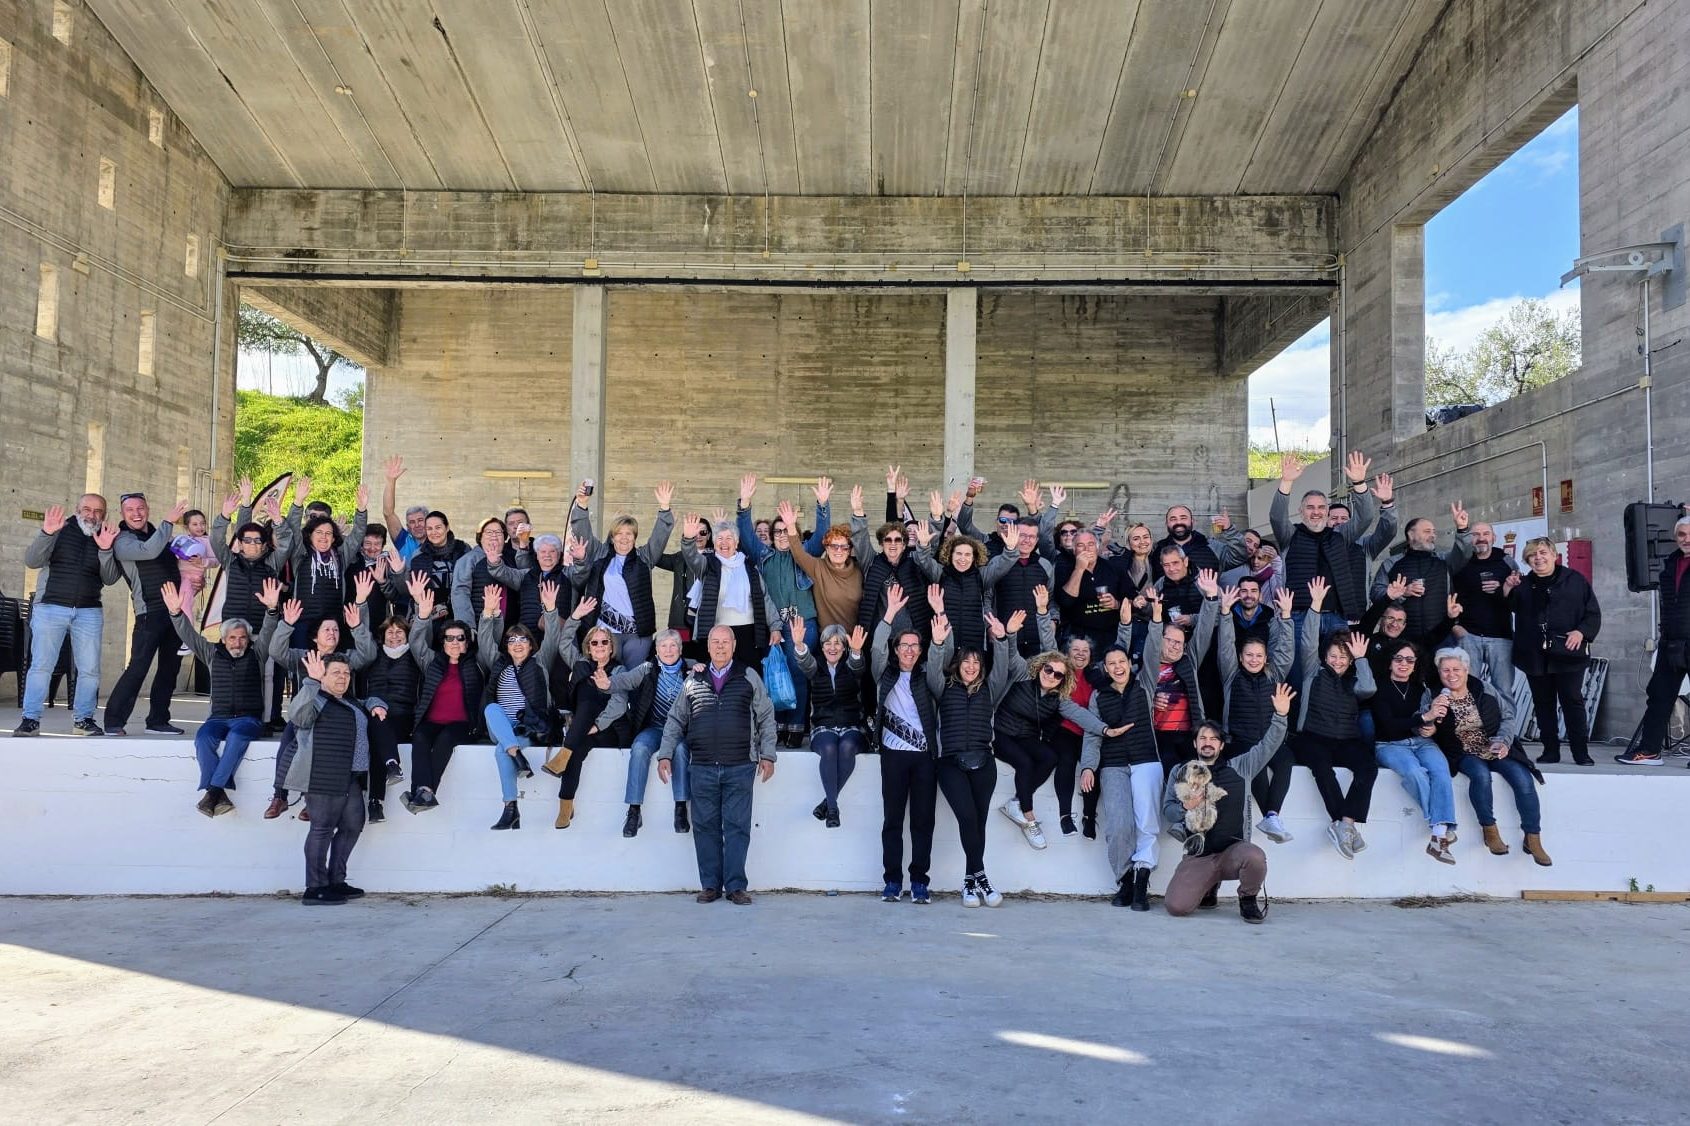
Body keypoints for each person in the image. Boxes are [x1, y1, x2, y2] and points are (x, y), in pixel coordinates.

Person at [657, 625, 778, 905]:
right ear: (708, 646)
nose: (720, 646)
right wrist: (665, 754)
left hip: (740, 765)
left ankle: (736, 887)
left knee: (737, 827)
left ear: (734, 645)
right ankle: (710, 885)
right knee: (704, 827)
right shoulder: (693, 679)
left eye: (725, 642)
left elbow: (766, 716)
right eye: (715, 642)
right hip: (702, 766)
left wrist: (768, 755)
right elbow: (675, 719)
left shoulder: (749, 675)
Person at [1160, 683, 1295, 922]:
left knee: (1255, 857)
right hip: (1199, 855)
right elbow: (1168, 810)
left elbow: (1268, 745)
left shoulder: (1241, 767)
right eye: (1202, 738)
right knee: (1176, 907)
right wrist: (1185, 807)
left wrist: (1281, 715)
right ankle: (1208, 887)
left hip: (1234, 851)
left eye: (1214, 738)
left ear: (1221, 745)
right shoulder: (1180, 771)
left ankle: (1248, 899)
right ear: (1195, 743)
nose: (1208, 742)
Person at [262, 575, 378, 819]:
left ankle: (311, 799)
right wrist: (287, 624)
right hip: (306, 713)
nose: (332, 633)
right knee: (289, 738)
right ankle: (279, 796)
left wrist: (357, 627)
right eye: (327, 629)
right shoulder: (302, 657)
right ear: (315, 636)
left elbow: (368, 654)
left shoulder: (345, 658)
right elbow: (276, 651)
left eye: (335, 629)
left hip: (336, 715)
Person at [928, 609, 1021, 907]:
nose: (971, 666)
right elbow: (932, 670)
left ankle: (969, 883)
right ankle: (982, 878)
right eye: (966, 661)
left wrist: (1002, 640)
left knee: (978, 823)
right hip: (950, 762)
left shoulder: (990, 690)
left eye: (976, 662)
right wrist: (938, 643)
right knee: (967, 818)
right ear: (958, 664)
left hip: (983, 762)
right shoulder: (944, 687)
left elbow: (1003, 668)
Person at [1427, 647, 1550, 865]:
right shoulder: (1432, 693)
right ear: (1439, 672)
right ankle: (1489, 830)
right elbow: (1422, 722)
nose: (1451, 674)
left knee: (1523, 778)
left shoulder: (1484, 688)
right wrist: (1431, 717)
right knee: (1481, 775)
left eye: (1456, 669)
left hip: (1494, 745)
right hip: (1461, 751)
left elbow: (1508, 716)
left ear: (1466, 670)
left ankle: (1533, 837)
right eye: (1445, 670)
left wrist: (1503, 741)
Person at [164, 581, 277, 816]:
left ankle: (213, 791)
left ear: (248, 639)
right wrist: (176, 613)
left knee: (237, 738)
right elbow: (189, 635)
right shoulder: (211, 653)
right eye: (232, 638)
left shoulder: (257, 654)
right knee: (203, 738)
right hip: (218, 718)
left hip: (248, 720)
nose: (238, 642)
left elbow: (267, 631)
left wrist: (272, 610)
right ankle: (219, 795)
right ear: (224, 639)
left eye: (242, 638)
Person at [287, 651, 389, 905]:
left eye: (346, 673)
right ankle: (315, 888)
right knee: (321, 829)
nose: (343, 677)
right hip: (323, 775)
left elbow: (367, 700)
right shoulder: (316, 698)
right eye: (336, 672)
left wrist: (376, 703)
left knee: (353, 825)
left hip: (350, 777)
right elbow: (298, 716)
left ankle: (336, 881)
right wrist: (311, 682)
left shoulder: (349, 701)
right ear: (323, 676)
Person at [1271, 451, 1382, 684]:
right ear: (1301, 511)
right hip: (1299, 617)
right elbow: (1277, 517)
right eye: (1310, 507)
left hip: (1335, 617)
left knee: (1338, 676)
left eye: (1321, 507)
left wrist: (1359, 484)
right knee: (1299, 675)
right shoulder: (1290, 535)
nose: (1316, 512)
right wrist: (1286, 482)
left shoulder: (1341, 536)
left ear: (1327, 511)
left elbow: (1365, 517)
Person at [737, 474, 831, 746]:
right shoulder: (763, 555)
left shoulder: (804, 552)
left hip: (803, 624)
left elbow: (822, 536)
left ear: (794, 533)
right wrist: (745, 503)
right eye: (777, 531)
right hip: (773, 627)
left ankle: (796, 727)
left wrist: (822, 504)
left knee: (797, 671)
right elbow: (745, 534)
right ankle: (777, 725)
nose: (781, 535)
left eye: (786, 530)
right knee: (774, 674)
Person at [15, 497, 119, 737]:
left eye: (98, 511)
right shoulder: (59, 528)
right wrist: (47, 533)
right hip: (50, 607)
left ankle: (83, 720)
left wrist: (105, 549)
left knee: (90, 669)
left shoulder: (106, 535)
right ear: (77, 510)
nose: (92, 515)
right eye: (87, 509)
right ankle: (30, 720)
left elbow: (110, 578)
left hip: (89, 610)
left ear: (104, 514)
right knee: (41, 666)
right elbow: (32, 560)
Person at [1293, 577, 1378, 859]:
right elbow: (1307, 640)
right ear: (1325, 655)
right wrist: (1316, 605)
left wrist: (1361, 659)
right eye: (1333, 656)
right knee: (1322, 768)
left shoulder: (1354, 679)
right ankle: (1343, 823)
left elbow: (1369, 689)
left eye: (1343, 658)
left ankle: (1346, 824)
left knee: (1368, 768)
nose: (1338, 661)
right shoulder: (1313, 671)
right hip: (1313, 736)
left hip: (1346, 739)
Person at [870, 585, 944, 903]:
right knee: (893, 821)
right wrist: (889, 614)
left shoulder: (928, 678)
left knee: (923, 822)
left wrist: (938, 634)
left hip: (924, 758)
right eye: (904, 645)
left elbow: (939, 660)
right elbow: (876, 649)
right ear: (896, 649)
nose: (910, 651)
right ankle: (892, 881)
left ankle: (919, 881)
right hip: (893, 757)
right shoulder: (883, 674)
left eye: (915, 646)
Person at [102, 493, 190, 735]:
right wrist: (168, 521)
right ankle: (113, 721)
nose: (136, 513)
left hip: (174, 610)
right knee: (138, 667)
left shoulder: (158, 535)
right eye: (130, 510)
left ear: (147, 510)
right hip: (149, 613)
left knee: (170, 669)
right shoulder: (122, 541)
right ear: (122, 514)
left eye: (140, 508)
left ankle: (158, 721)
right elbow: (148, 551)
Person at [1508, 536, 1601, 766]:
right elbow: (1509, 607)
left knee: (1572, 701)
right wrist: (1507, 588)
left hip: (1568, 652)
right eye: (1532, 555)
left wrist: (1581, 632)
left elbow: (1592, 612)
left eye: (1542, 553)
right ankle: (1550, 750)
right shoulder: (1523, 585)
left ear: (1553, 555)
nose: (1538, 558)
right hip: (1534, 654)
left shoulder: (1574, 580)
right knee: (1543, 703)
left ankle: (1581, 752)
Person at [1080, 645, 1160, 910]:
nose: (1117, 667)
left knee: (1147, 824)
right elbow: (1092, 734)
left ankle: (1142, 879)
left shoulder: (1144, 684)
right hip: (1113, 764)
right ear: (1105, 668)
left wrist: (1155, 623)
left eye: (1121, 661)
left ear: (1129, 663)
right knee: (1118, 825)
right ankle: (1125, 879)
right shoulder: (1098, 696)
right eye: (1111, 663)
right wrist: (1088, 767)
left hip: (1146, 759)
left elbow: (1153, 650)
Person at [540, 590, 628, 829]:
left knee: (588, 700)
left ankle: (562, 755)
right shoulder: (580, 663)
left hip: (606, 730)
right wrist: (575, 616)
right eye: (594, 642)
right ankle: (565, 807)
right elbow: (564, 642)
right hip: (581, 731)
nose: (599, 646)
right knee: (576, 753)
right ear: (588, 647)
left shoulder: (619, 670)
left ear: (611, 647)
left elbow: (619, 704)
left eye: (604, 642)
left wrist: (596, 725)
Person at [479, 586, 564, 831]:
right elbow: (484, 641)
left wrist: (550, 609)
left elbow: (553, 638)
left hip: (529, 729)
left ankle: (511, 809)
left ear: (531, 644)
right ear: (506, 646)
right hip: (502, 727)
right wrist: (488, 612)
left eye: (523, 639)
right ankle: (517, 755)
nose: (517, 644)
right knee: (491, 709)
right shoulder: (499, 664)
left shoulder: (540, 662)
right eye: (512, 640)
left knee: (501, 751)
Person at [1216, 585, 1296, 843]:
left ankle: (1272, 815)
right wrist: (1225, 613)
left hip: (1269, 739)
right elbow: (1225, 646)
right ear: (1240, 658)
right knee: (1257, 765)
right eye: (1249, 655)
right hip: (1241, 740)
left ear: (1265, 658)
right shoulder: (1232, 675)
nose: (1253, 659)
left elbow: (1286, 650)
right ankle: (1270, 816)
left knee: (1285, 760)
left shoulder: (1274, 674)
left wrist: (1286, 616)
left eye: (1259, 655)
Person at [568, 480, 676, 669]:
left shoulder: (644, 557)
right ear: (612, 536)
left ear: (635, 537)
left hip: (637, 634)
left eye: (629, 534)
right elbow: (583, 534)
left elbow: (659, 538)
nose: (624, 538)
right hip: (605, 632)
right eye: (619, 533)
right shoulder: (600, 553)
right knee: (604, 675)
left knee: (633, 678)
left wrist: (665, 508)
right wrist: (582, 505)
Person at [595, 628, 692, 837]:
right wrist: (607, 684)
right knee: (639, 747)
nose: (668, 650)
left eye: (673, 646)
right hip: (654, 728)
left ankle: (681, 809)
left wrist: (702, 670)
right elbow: (625, 680)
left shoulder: (692, 668)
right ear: (656, 651)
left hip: (680, 732)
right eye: (663, 646)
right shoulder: (647, 668)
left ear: (680, 649)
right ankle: (634, 811)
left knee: (681, 750)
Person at [1369, 638, 1459, 862]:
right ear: (1390, 662)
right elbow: (1388, 725)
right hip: (1389, 744)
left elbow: (1428, 720)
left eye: (1410, 660)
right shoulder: (1379, 687)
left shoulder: (1421, 688)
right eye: (1398, 659)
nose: (1404, 664)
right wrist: (1424, 718)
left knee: (1441, 771)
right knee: (1415, 773)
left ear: (1416, 664)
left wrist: (1430, 727)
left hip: (1420, 742)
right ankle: (1440, 830)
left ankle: (1437, 837)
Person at [400, 577, 484, 811]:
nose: (455, 642)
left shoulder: (477, 663)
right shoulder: (432, 662)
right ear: (443, 642)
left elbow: (489, 642)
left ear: (467, 642)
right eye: (449, 638)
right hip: (431, 722)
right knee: (420, 737)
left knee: (446, 739)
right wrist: (423, 615)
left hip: (462, 725)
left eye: (460, 638)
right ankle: (422, 792)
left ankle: (424, 791)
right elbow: (416, 643)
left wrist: (489, 615)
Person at [1618, 514, 1690, 765]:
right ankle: (1649, 751)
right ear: (1675, 537)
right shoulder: (1670, 564)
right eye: (1682, 534)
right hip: (1671, 642)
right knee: (1659, 696)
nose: (1686, 539)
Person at [1137, 569, 1220, 772]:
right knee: (1171, 769)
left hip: (1188, 735)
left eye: (1179, 643)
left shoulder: (1188, 660)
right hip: (1158, 735)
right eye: (1171, 641)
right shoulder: (1149, 665)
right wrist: (1157, 617)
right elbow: (1152, 644)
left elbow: (1203, 631)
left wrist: (1211, 598)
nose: (1175, 646)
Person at [791, 619, 869, 827]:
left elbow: (857, 666)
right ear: (822, 646)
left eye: (837, 643)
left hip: (852, 726)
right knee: (829, 747)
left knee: (847, 746)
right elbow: (805, 662)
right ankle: (833, 809)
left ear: (844, 647)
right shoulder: (816, 667)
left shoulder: (850, 665)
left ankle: (828, 804)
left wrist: (856, 651)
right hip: (823, 726)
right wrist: (799, 644)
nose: (832, 648)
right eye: (828, 643)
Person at [680, 511, 783, 665]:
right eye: (720, 538)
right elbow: (691, 557)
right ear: (714, 543)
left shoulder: (750, 567)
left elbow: (765, 598)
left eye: (729, 538)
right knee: (717, 675)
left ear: (736, 542)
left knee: (749, 675)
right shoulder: (707, 565)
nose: (724, 542)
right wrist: (688, 539)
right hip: (717, 634)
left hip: (749, 635)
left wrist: (775, 627)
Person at [910, 519, 1015, 659]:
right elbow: (925, 562)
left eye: (967, 555)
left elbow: (1002, 566)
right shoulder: (940, 573)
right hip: (945, 643)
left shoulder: (982, 575)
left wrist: (1010, 549)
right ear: (950, 554)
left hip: (974, 646)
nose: (962, 559)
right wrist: (923, 545)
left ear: (974, 557)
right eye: (958, 554)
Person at [1369, 508, 1470, 649]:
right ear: (1411, 535)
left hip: (1441, 636)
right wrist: (1402, 593)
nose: (1433, 535)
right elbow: (1375, 593)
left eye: (1434, 532)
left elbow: (1464, 554)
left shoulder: (1443, 561)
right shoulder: (1391, 563)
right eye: (1427, 531)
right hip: (1403, 640)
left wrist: (1462, 529)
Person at [1448, 512, 1523, 695]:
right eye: (1475, 534)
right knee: (1466, 690)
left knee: (1504, 691)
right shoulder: (1460, 562)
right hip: (1468, 635)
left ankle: (1504, 717)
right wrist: (1454, 626)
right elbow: (1446, 595)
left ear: (1494, 538)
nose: (1481, 538)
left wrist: (1503, 588)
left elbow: (1519, 598)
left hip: (1501, 636)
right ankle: (1472, 717)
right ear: (1469, 539)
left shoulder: (1507, 562)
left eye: (1486, 534)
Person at [783, 491, 871, 632]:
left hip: (854, 637)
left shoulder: (858, 570)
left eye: (844, 547)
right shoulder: (818, 567)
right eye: (834, 546)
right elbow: (798, 554)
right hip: (828, 639)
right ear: (827, 548)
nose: (838, 550)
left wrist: (858, 511)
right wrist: (791, 526)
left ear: (849, 550)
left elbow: (863, 542)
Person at [362, 611, 420, 822]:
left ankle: (375, 801)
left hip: (404, 716)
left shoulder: (414, 656)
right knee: (378, 722)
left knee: (379, 736)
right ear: (383, 635)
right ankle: (391, 766)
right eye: (390, 632)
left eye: (399, 632)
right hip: (375, 712)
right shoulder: (374, 656)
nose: (394, 636)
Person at [1050, 635, 1103, 837]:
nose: (1080, 654)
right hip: (1065, 728)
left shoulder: (1096, 675)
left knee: (1094, 766)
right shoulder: (1061, 673)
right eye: (1076, 650)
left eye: (1085, 650)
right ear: (1067, 653)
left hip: (1089, 732)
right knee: (1067, 760)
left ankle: (1089, 817)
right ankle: (1065, 816)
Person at [1152, 504, 1248, 579]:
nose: (1178, 522)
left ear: (1192, 521)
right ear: (1166, 523)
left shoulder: (1212, 546)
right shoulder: (1157, 549)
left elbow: (1239, 557)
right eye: (1173, 519)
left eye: (1183, 518)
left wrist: (1229, 530)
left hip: (1207, 599)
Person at [380, 455, 430, 566]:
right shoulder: (404, 541)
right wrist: (391, 481)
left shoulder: (439, 541)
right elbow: (388, 513)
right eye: (412, 522)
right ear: (407, 527)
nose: (417, 525)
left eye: (420, 520)